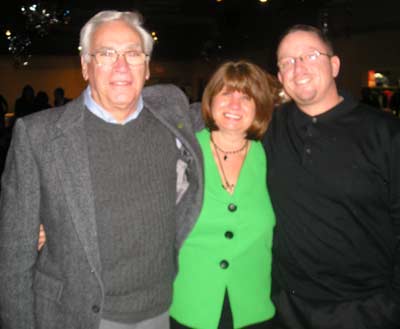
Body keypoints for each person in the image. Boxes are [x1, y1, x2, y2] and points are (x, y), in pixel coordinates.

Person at [0, 10, 203, 329]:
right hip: (74, 315)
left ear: (147, 67)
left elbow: (234, 106)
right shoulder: (37, 136)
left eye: (133, 54)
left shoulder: (173, 120)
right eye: (106, 53)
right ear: (85, 66)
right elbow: (13, 258)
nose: (121, 65)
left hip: (159, 313)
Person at [263, 24, 400, 329]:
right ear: (281, 77)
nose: (298, 67)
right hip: (283, 309)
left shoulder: (384, 133)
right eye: (287, 62)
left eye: (310, 56)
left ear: (334, 65)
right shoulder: (270, 128)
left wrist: (390, 306)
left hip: (363, 311)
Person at [169, 61, 278, 329]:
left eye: (246, 96)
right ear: (211, 99)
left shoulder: (272, 156)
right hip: (188, 307)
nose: (234, 104)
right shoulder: (183, 151)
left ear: (259, 107)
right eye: (226, 93)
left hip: (254, 310)